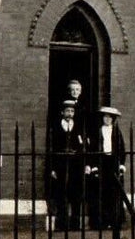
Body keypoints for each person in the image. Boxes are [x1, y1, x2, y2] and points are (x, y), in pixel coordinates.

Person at [86, 106, 126, 230]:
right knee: (100, 192)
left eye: (110, 117)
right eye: (105, 116)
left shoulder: (116, 132)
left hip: (113, 162)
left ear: (113, 119)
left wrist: (121, 164)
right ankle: (100, 222)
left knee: (114, 192)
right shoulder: (97, 131)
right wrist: (93, 165)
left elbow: (121, 149)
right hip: (101, 162)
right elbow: (92, 149)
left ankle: (114, 221)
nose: (107, 119)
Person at [48, 99, 86, 231]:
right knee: (61, 192)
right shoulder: (56, 126)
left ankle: (75, 223)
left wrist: (83, 163)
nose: (70, 113)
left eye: (72, 111)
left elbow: (82, 146)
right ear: (62, 112)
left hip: (75, 163)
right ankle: (61, 224)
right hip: (60, 163)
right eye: (67, 111)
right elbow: (51, 147)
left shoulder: (79, 126)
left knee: (75, 193)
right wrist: (52, 167)